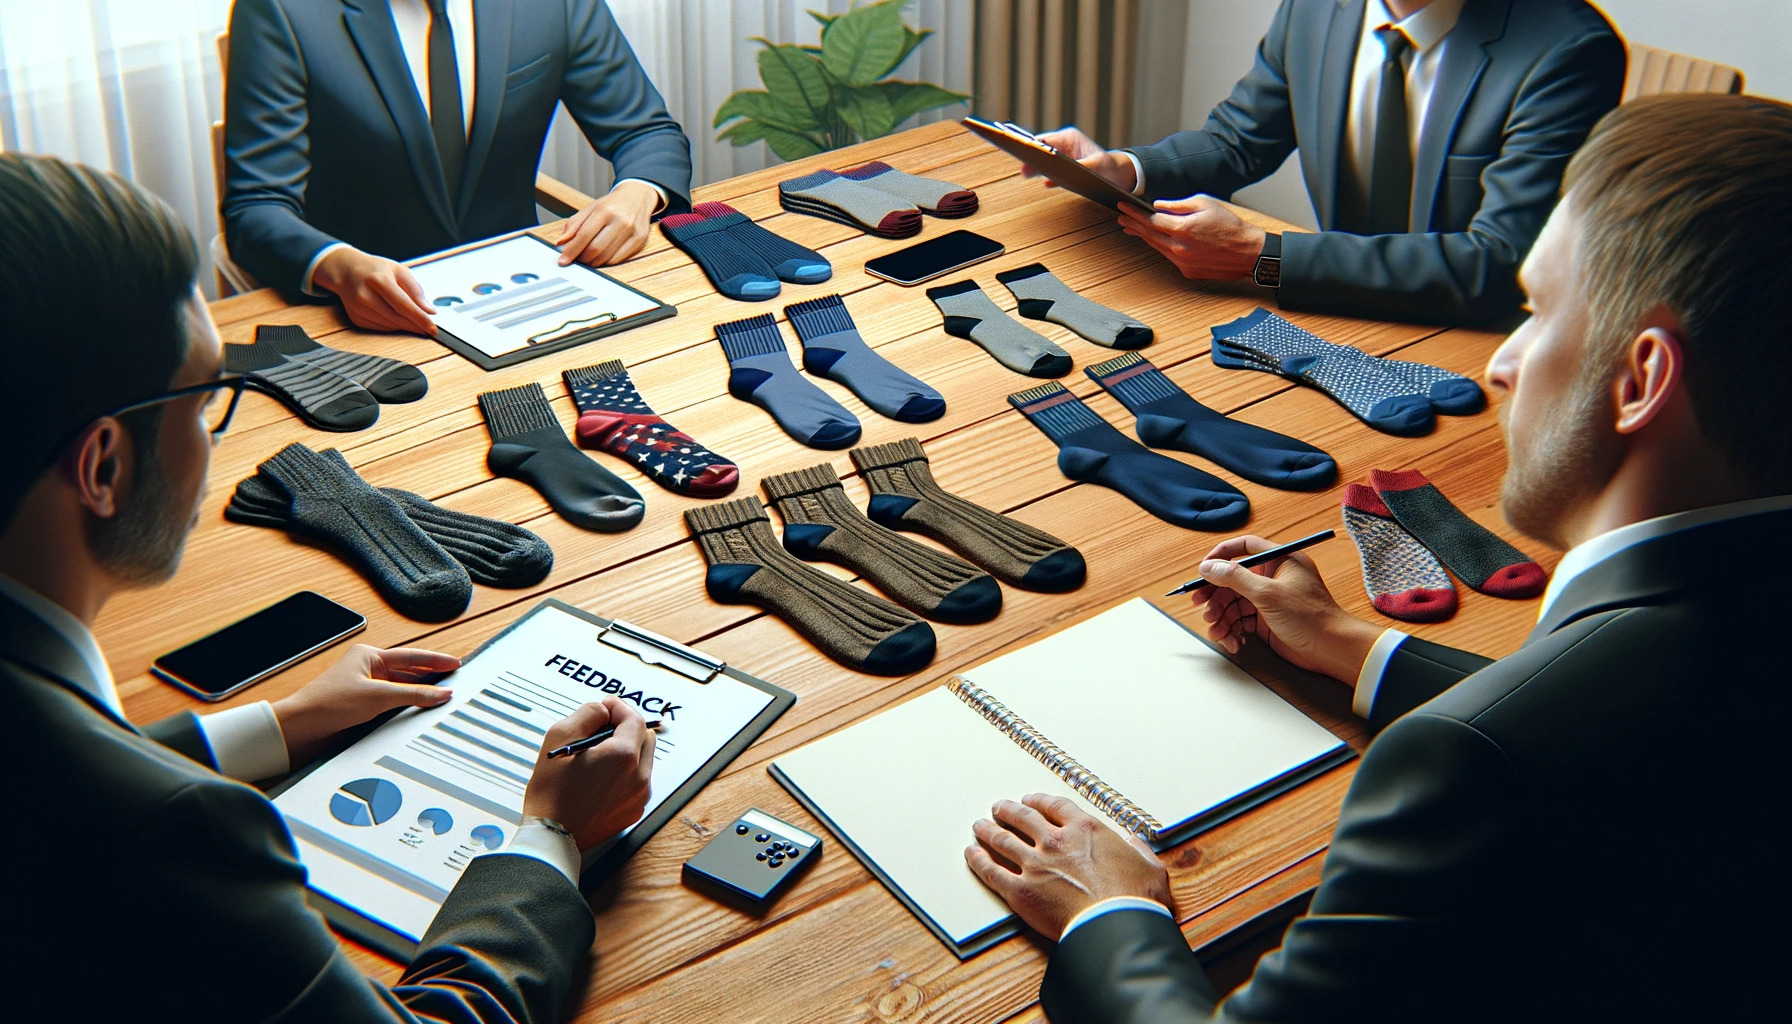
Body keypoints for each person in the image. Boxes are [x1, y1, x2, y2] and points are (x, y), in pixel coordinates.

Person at [966, 93, 1788, 1021]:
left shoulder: (1463, 772)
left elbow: (1529, 743)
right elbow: (1640, 730)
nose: (1503, 363)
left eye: (1536, 311)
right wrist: (1351, 644)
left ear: (1638, 379)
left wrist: (1108, 914)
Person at [1, 151, 656, 1021]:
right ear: (104, 466)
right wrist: (549, 837)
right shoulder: (174, 834)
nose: (217, 444)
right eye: (205, 402)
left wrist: (282, 723)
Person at [1032, 0, 1623, 326]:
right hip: (1330, 313)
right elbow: (1239, 140)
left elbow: (1497, 266)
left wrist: (1264, 258)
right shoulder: (1317, 10)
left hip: (1471, 337)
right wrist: (1121, 170)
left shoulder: (1568, 51)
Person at [223, 0, 692, 335]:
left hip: (528, 295)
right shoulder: (279, 11)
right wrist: (337, 267)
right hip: (366, 325)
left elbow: (647, 132)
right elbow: (255, 208)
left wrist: (637, 191)